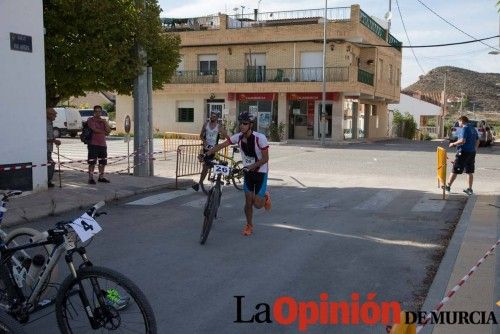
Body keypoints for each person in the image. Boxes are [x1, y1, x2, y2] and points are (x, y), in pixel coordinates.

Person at [206, 111, 271, 236]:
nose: (242, 126)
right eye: (240, 123)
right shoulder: (238, 137)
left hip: (260, 172)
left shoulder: (260, 138)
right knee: (248, 202)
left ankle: (265, 197)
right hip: (248, 173)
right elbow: (221, 145)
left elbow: (265, 159)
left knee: (257, 204)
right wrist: (207, 153)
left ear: (251, 125)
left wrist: (251, 167)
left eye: (245, 123)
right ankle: (249, 225)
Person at [192, 111, 228, 191]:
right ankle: (201, 182)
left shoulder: (219, 126)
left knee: (205, 167)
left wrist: (226, 135)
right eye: (211, 116)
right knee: (205, 166)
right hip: (205, 148)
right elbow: (201, 136)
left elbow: (226, 136)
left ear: (217, 118)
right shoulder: (206, 125)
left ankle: (200, 183)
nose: (212, 118)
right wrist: (204, 141)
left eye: (214, 116)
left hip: (213, 149)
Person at [444, 116, 479, 195]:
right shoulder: (472, 128)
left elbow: (462, 140)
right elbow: (478, 140)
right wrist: (475, 149)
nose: (458, 123)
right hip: (471, 152)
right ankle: (470, 189)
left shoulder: (465, 128)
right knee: (469, 171)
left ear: (461, 121)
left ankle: (448, 186)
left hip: (463, 152)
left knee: (455, 169)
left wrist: (453, 143)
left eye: (458, 122)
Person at [87, 105, 111, 184]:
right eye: (96, 111)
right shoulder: (91, 120)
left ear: (101, 112)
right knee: (92, 162)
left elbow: (109, 131)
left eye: (99, 111)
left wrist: (105, 122)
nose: (98, 113)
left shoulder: (103, 121)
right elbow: (94, 129)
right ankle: (91, 178)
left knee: (102, 162)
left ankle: (101, 177)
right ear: (94, 112)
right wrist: (105, 132)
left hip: (102, 144)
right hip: (93, 144)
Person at [46, 108, 61, 188]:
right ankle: (48, 181)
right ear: (49, 114)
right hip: (45, 149)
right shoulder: (45, 123)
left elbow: (50, 136)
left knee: (50, 164)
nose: (55, 117)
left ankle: (48, 181)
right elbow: (44, 137)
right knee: (51, 164)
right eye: (54, 115)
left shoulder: (50, 123)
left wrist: (54, 140)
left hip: (49, 148)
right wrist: (54, 141)